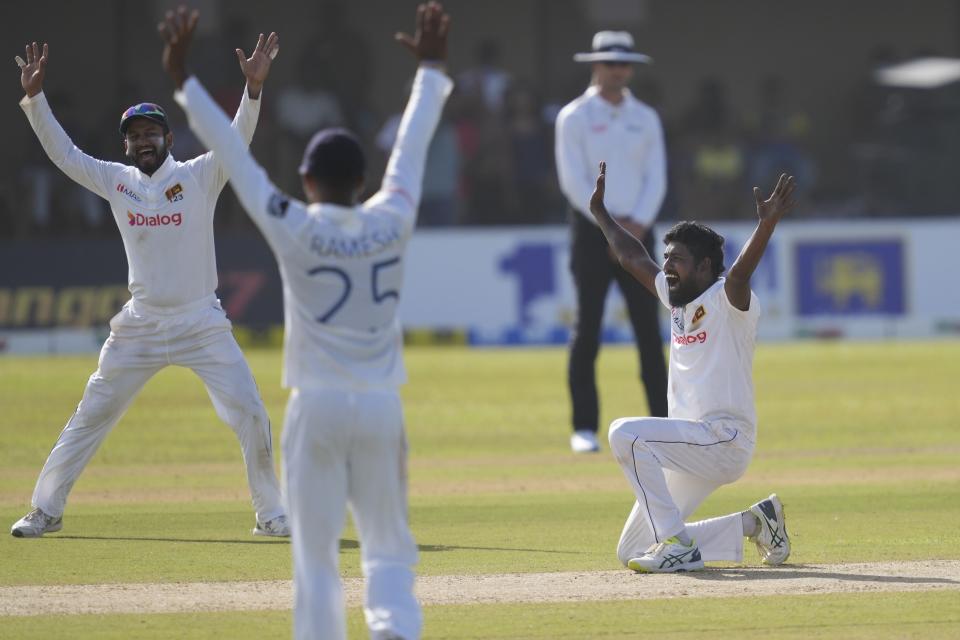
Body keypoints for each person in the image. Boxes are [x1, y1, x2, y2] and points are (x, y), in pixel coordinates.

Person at [159, 4, 453, 639]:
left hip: (315, 407)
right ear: (363, 180)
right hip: (380, 407)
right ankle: (395, 630)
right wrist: (430, 69)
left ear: (306, 179)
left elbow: (235, 158)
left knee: (315, 558)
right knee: (388, 546)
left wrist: (184, 81)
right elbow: (413, 145)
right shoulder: (391, 218)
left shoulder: (291, 224)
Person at [10, 29, 288, 538]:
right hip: (139, 326)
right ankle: (45, 510)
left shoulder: (202, 175)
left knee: (250, 413)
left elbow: (237, 140)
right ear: (126, 144)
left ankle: (271, 515)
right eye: (134, 136)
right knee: (91, 413)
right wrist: (35, 99)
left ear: (168, 139)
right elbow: (66, 156)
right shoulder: (118, 182)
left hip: (201, 321)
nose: (143, 142)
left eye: (151, 134)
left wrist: (253, 92)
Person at [588, 161, 794, 572]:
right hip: (689, 446)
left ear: (703, 267)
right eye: (667, 258)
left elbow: (739, 274)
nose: (667, 266)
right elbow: (632, 258)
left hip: (723, 439)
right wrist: (600, 214)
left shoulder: (727, 300)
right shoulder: (677, 300)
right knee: (630, 550)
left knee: (623, 434)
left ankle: (677, 544)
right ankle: (757, 522)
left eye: (677, 259)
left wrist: (766, 226)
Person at [555, 31, 669, 453]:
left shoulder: (646, 117)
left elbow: (656, 176)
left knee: (649, 328)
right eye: (610, 62)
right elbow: (572, 180)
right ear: (596, 66)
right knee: (588, 327)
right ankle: (584, 427)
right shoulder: (574, 116)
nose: (618, 70)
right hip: (592, 230)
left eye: (624, 63)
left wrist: (636, 224)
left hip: (639, 230)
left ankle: (664, 422)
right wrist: (607, 224)